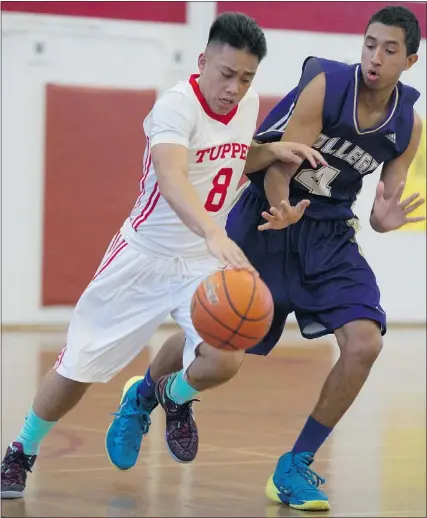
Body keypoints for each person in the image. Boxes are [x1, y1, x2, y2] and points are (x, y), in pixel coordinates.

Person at [1, 12, 324, 499]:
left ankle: (162, 396)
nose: (235, 88)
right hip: (143, 256)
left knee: (227, 357)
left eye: (246, 78)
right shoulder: (175, 106)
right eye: (226, 74)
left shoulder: (247, 103)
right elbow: (173, 179)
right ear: (202, 62)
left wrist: (272, 152)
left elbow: (232, 157)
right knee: (76, 370)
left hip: (198, 262)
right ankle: (20, 452)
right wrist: (214, 233)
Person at [121, 5, 424, 512]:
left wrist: (384, 220)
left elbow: (384, 205)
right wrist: (282, 206)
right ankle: (146, 395)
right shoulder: (328, 85)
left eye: (389, 49)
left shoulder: (407, 125)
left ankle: (296, 465)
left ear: (409, 60)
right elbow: (282, 158)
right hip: (268, 216)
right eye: (370, 43)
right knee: (217, 329)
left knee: (365, 343)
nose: (375, 56)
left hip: (329, 233)